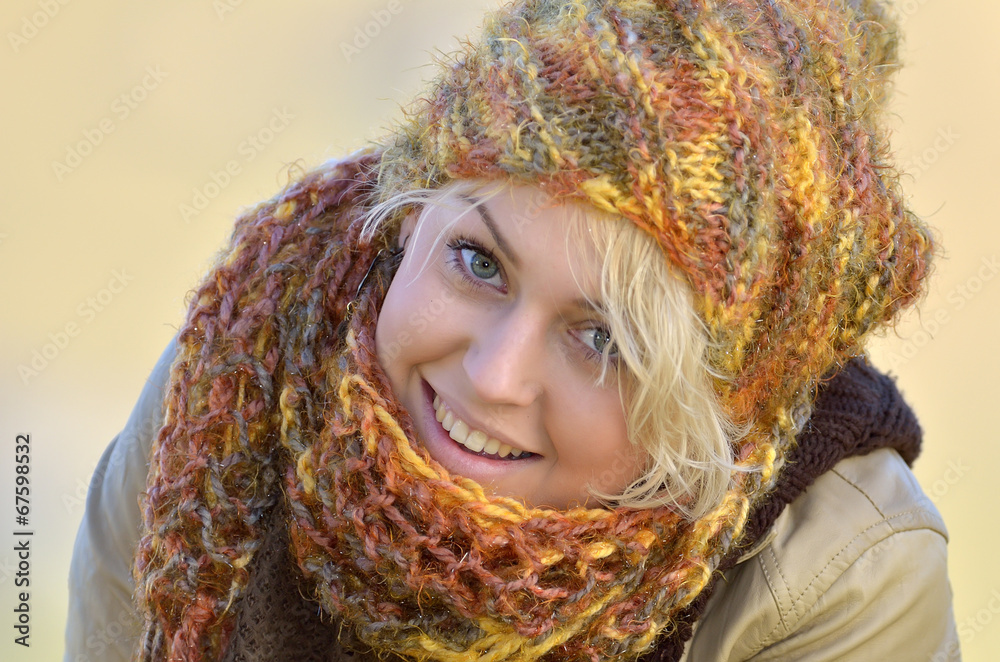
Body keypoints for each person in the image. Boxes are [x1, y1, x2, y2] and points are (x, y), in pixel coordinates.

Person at [65, 0, 960, 660]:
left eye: (604, 339)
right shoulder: (239, 376)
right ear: (409, 217)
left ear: (720, 409)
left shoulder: (840, 575)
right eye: (478, 263)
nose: (496, 376)